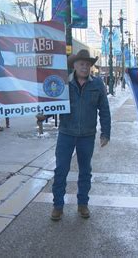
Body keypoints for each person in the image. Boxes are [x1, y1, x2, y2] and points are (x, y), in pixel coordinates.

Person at [51, 49, 111, 221]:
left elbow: (104, 110)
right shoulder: (63, 82)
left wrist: (105, 133)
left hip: (87, 135)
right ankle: (57, 206)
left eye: (87, 64)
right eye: (81, 64)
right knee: (61, 170)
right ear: (75, 66)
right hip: (66, 134)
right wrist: (43, 114)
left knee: (85, 171)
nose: (85, 67)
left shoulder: (97, 84)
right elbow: (53, 103)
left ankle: (82, 204)